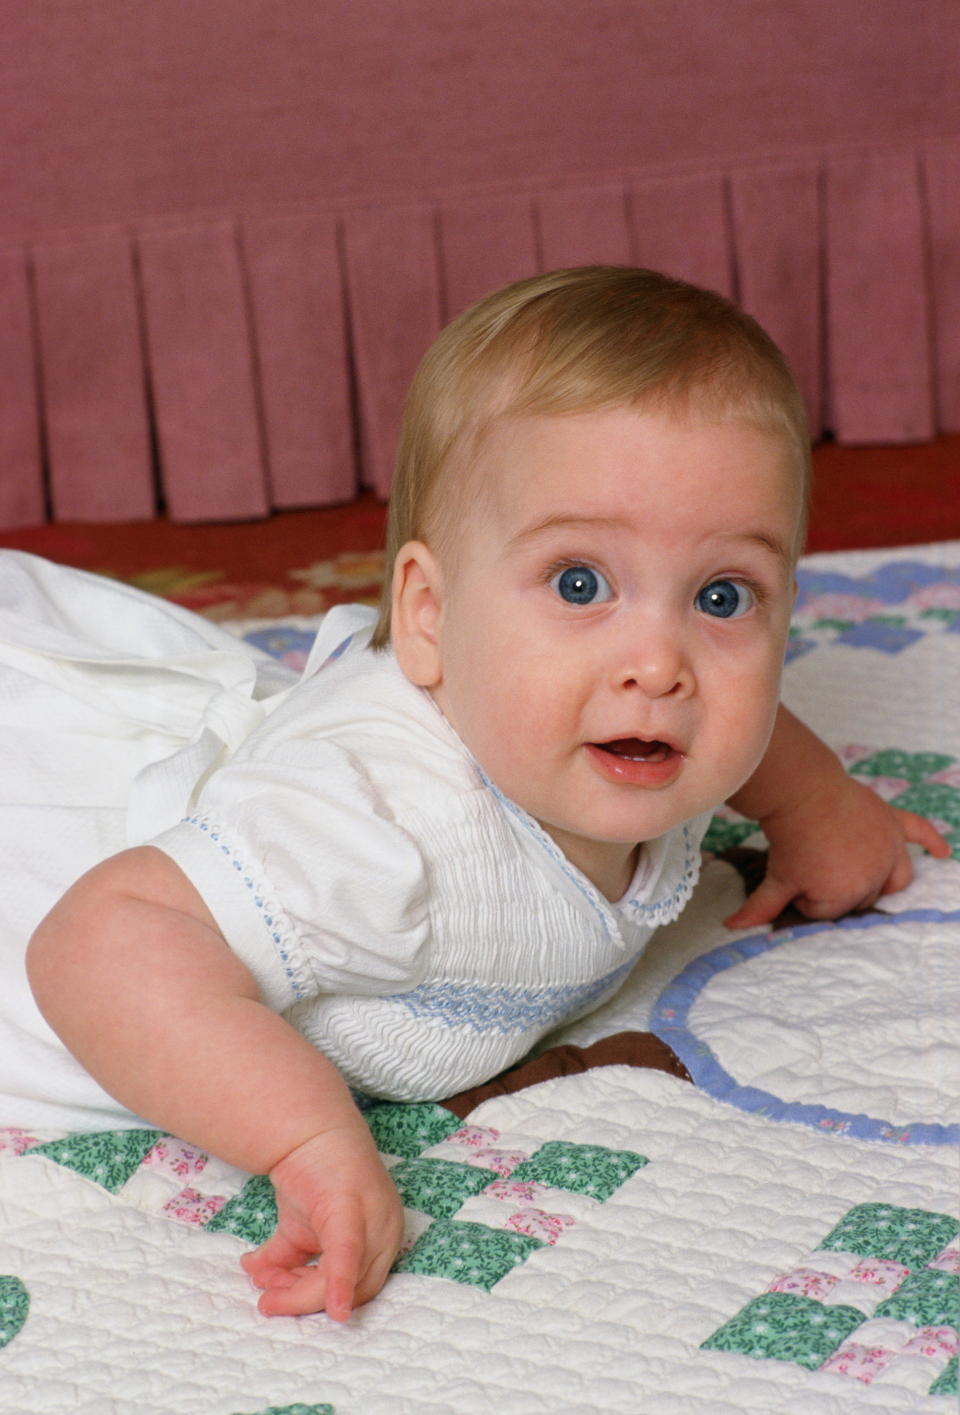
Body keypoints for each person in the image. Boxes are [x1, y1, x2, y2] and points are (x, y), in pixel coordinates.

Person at [7, 267, 947, 1325]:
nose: (660, 660)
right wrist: (304, 1135)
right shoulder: (382, 827)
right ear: (428, 614)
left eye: (722, 595)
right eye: (580, 583)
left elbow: (751, 727)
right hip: (66, 890)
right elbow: (97, 940)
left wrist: (816, 809)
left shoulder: (633, 724)